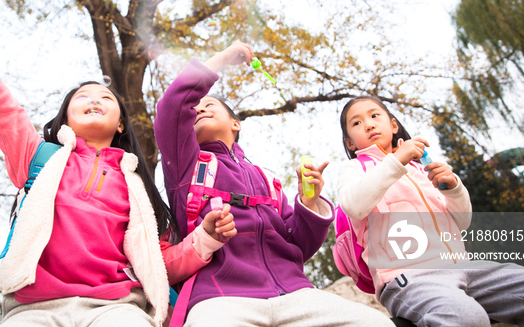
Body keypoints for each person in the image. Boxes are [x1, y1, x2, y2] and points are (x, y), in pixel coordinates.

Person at [0, 0, 236, 327]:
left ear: (121, 122)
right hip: (33, 308)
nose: (95, 99)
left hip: (118, 308)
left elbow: (160, 262)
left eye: (106, 97)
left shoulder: (138, 189)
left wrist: (206, 238)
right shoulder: (37, 158)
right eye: (83, 96)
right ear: (65, 117)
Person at [154, 40, 393, 327]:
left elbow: (296, 245)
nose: (199, 109)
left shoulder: (268, 180)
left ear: (236, 124)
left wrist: (309, 203)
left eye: (210, 105)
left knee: (374, 323)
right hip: (220, 299)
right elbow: (173, 106)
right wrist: (220, 59)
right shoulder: (185, 164)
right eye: (195, 108)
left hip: (295, 293)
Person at [337, 95, 524, 327]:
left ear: (393, 125)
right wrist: (397, 159)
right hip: (410, 278)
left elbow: (461, 222)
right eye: (357, 123)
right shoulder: (355, 169)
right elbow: (353, 205)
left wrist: (453, 188)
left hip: (465, 266)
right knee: (467, 318)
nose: (369, 124)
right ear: (350, 143)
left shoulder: (421, 167)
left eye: (374, 116)